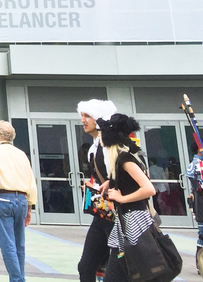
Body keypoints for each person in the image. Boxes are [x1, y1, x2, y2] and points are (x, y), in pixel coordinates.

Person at [98, 114, 155, 282]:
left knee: (124, 273)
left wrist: (121, 198)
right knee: (128, 272)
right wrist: (112, 182)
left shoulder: (125, 159)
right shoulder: (133, 155)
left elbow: (149, 189)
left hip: (132, 219)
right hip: (131, 218)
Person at [0, 120, 37, 282]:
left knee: (7, 244)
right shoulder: (21, 154)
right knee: (19, 244)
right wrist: (29, 207)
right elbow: (31, 183)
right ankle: (20, 277)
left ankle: (17, 279)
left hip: (3, 197)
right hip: (21, 199)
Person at [76, 99, 117, 282]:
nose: (83, 120)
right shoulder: (94, 147)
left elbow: (129, 174)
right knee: (86, 266)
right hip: (102, 214)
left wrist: (111, 183)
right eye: (82, 116)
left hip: (116, 215)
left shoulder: (110, 146)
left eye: (87, 116)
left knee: (119, 268)